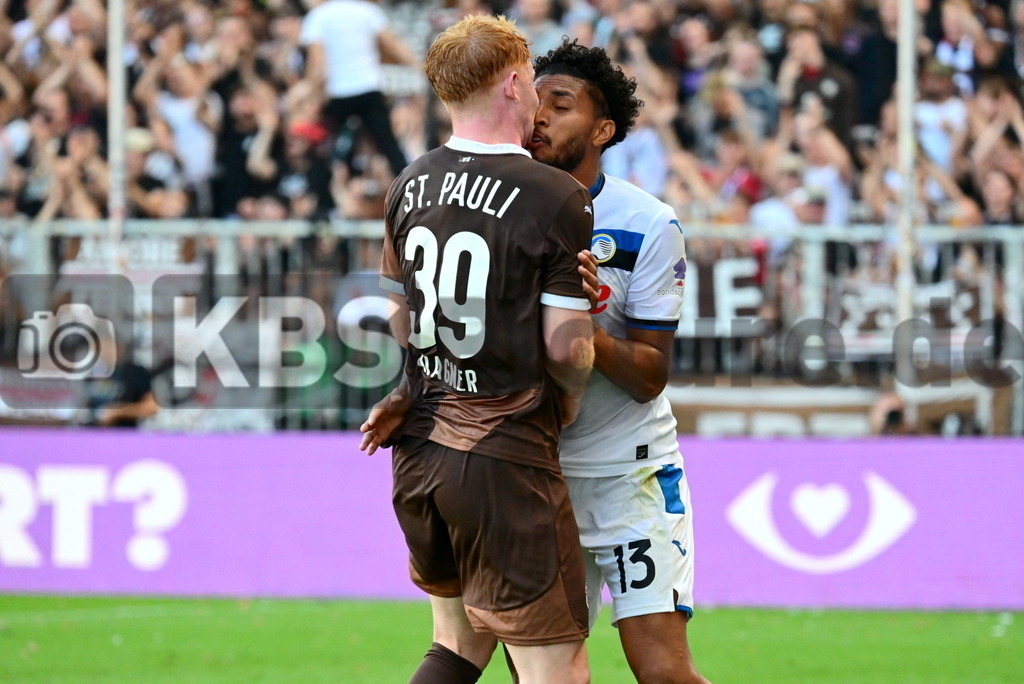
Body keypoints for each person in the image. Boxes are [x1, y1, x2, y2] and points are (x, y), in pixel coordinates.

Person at [363, 39, 710, 684]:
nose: (541, 115)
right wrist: (412, 384)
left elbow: (649, 377)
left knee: (661, 670)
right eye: (536, 97)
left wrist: (584, 323)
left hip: (624, 475)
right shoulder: (510, 201)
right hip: (531, 465)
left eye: (563, 103)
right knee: (530, 664)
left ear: (604, 129)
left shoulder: (649, 224)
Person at [368, 16, 595, 684]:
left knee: (458, 643)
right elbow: (566, 347)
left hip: (421, 448)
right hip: (505, 456)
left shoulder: (409, 183)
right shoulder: (557, 195)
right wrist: (572, 399)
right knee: (559, 668)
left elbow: (399, 319)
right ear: (514, 82)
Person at [299, 0, 418, 178]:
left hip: (338, 93)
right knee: (388, 146)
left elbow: (317, 64)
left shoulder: (318, 16)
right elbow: (392, 43)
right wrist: (418, 65)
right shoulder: (367, 10)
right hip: (369, 89)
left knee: (327, 147)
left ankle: (329, 193)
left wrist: (310, 94)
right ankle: (410, 192)